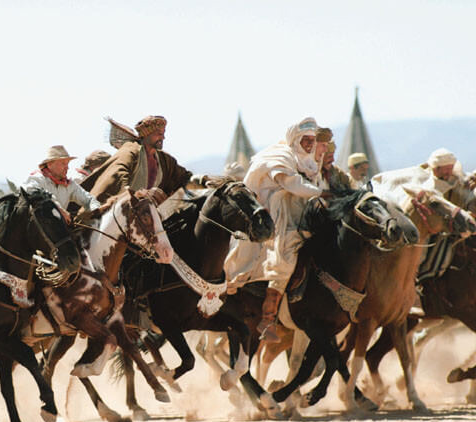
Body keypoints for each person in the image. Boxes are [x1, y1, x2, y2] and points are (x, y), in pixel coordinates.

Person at [224, 117, 329, 342]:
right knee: (287, 255)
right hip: (269, 213)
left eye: (313, 140)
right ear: (296, 139)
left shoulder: (309, 162)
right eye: (306, 140)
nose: (310, 144)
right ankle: (268, 318)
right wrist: (322, 194)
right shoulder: (279, 156)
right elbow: (292, 184)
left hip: (293, 209)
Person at [81, 115, 205, 205]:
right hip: (122, 211)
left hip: (149, 214)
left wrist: (204, 180)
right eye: (158, 133)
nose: (163, 137)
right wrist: (139, 194)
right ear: (147, 134)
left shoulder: (165, 160)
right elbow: (118, 175)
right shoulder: (130, 150)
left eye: (163, 133)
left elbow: (184, 178)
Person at [22, 145, 101, 219]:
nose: (67, 167)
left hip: (57, 226)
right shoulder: (37, 179)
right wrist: (59, 209)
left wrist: (96, 209)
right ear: (49, 164)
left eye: (67, 164)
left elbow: (89, 199)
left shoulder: (70, 185)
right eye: (63, 163)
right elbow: (30, 190)